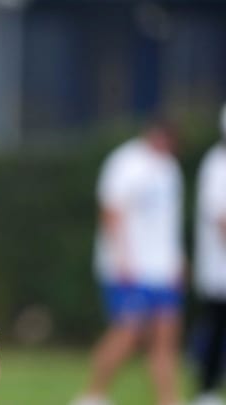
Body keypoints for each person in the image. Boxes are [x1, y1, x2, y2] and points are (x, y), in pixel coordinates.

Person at [72, 118, 185, 405]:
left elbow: (169, 221)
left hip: (162, 268)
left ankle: (168, 399)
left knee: (166, 333)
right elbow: (111, 211)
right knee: (128, 331)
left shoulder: (170, 168)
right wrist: (123, 258)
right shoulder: (126, 162)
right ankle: (93, 394)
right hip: (130, 267)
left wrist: (178, 258)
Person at [191, 104, 226, 405]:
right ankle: (206, 389)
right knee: (216, 329)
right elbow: (220, 219)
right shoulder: (217, 165)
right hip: (219, 268)